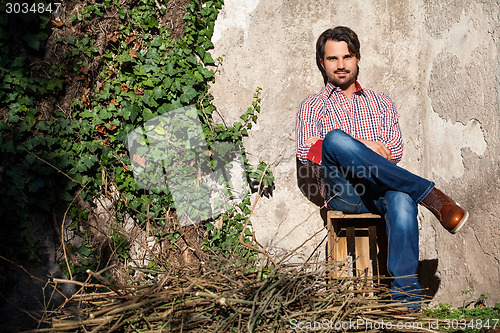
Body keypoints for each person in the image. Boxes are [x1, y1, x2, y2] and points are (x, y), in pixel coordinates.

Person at [296, 26, 469, 309]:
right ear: (321, 63)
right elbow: (306, 151)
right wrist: (360, 145)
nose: (341, 65)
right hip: (344, 191)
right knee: (334, 139)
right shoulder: (312, 106)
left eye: (347, 56)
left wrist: (364, 155)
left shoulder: (381, 103)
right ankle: (429, 195)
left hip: (380, 188)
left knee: (401, 200)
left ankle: (405, 305)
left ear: (357, 59)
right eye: (332, 59)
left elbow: (395, 149)